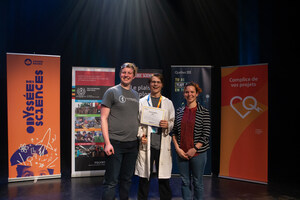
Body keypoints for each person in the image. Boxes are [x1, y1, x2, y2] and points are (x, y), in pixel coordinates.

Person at [101, 62, 139, 200]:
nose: (126, 75)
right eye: (124, 72)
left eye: (129, 73)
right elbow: (103, 118)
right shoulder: (112, 92)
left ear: (134, 76)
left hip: (132, 144)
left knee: (127, 180)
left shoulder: (136, 95)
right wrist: (107, 143)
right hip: (115, 143)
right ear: (120, 74)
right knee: (111, 182)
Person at [135, 73, 175, 200]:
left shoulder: (168, 103)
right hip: (147, 144)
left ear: (162, 84)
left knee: (163, 179)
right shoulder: (142, 102)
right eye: (153, 82)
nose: (155, 84)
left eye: (158, 82)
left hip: (161, 145)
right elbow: (137, 122)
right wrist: (141, 136)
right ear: (149, 84)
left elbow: (173, 122)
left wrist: (167, 124)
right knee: (144, 178)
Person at [172, 82, 211, 200]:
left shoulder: (204, 112)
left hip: (198, 154)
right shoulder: (179, 111)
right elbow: (174, 132)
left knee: (197, 182)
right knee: (184, 182)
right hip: (182, 153)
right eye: (187, 92)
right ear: (184, 94)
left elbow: (206, 134)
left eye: (192, 92)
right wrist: (178, 149)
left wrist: (194, 149)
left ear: (197, 93)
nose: (189, 94)